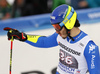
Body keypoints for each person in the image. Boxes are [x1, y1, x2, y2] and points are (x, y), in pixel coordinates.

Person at [4, 4, 100, 74]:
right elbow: (44, 42)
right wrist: (23, 37)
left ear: (69, 23)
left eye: (57, 27)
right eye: (54, 27)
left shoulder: (90, 48)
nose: (56, 31)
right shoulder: (61, 36)